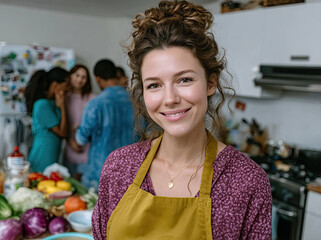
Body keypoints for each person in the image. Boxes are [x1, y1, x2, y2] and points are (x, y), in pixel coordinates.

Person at [92, 1, 272, 239]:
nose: (169, 98)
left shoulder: (247, 181)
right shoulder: (119, 167)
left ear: (210, 83)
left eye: (184, 80)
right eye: (154, 85)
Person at [75, 59, 136, 190]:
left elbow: (81, 139)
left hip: (100, 172)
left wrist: (78, 130)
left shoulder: (96, 103)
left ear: (98, 79)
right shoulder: (137, 101)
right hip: (131, 172)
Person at [25, 67, 68, 172]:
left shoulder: (52, 103)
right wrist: (62, 107)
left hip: (52, 150)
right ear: (55, 85)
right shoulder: (42, 104)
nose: (68, 88)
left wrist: (61, 106)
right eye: (66, 84)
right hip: (44, 152)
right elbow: (62, 132)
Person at [63, 64, 95, 180]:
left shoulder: (92, 98)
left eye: (84, 77)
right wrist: (69, 140)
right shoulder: (64, 97)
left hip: (88, 149)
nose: (80, 80)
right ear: (70, 76)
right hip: (68, 146)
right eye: (77, 75)